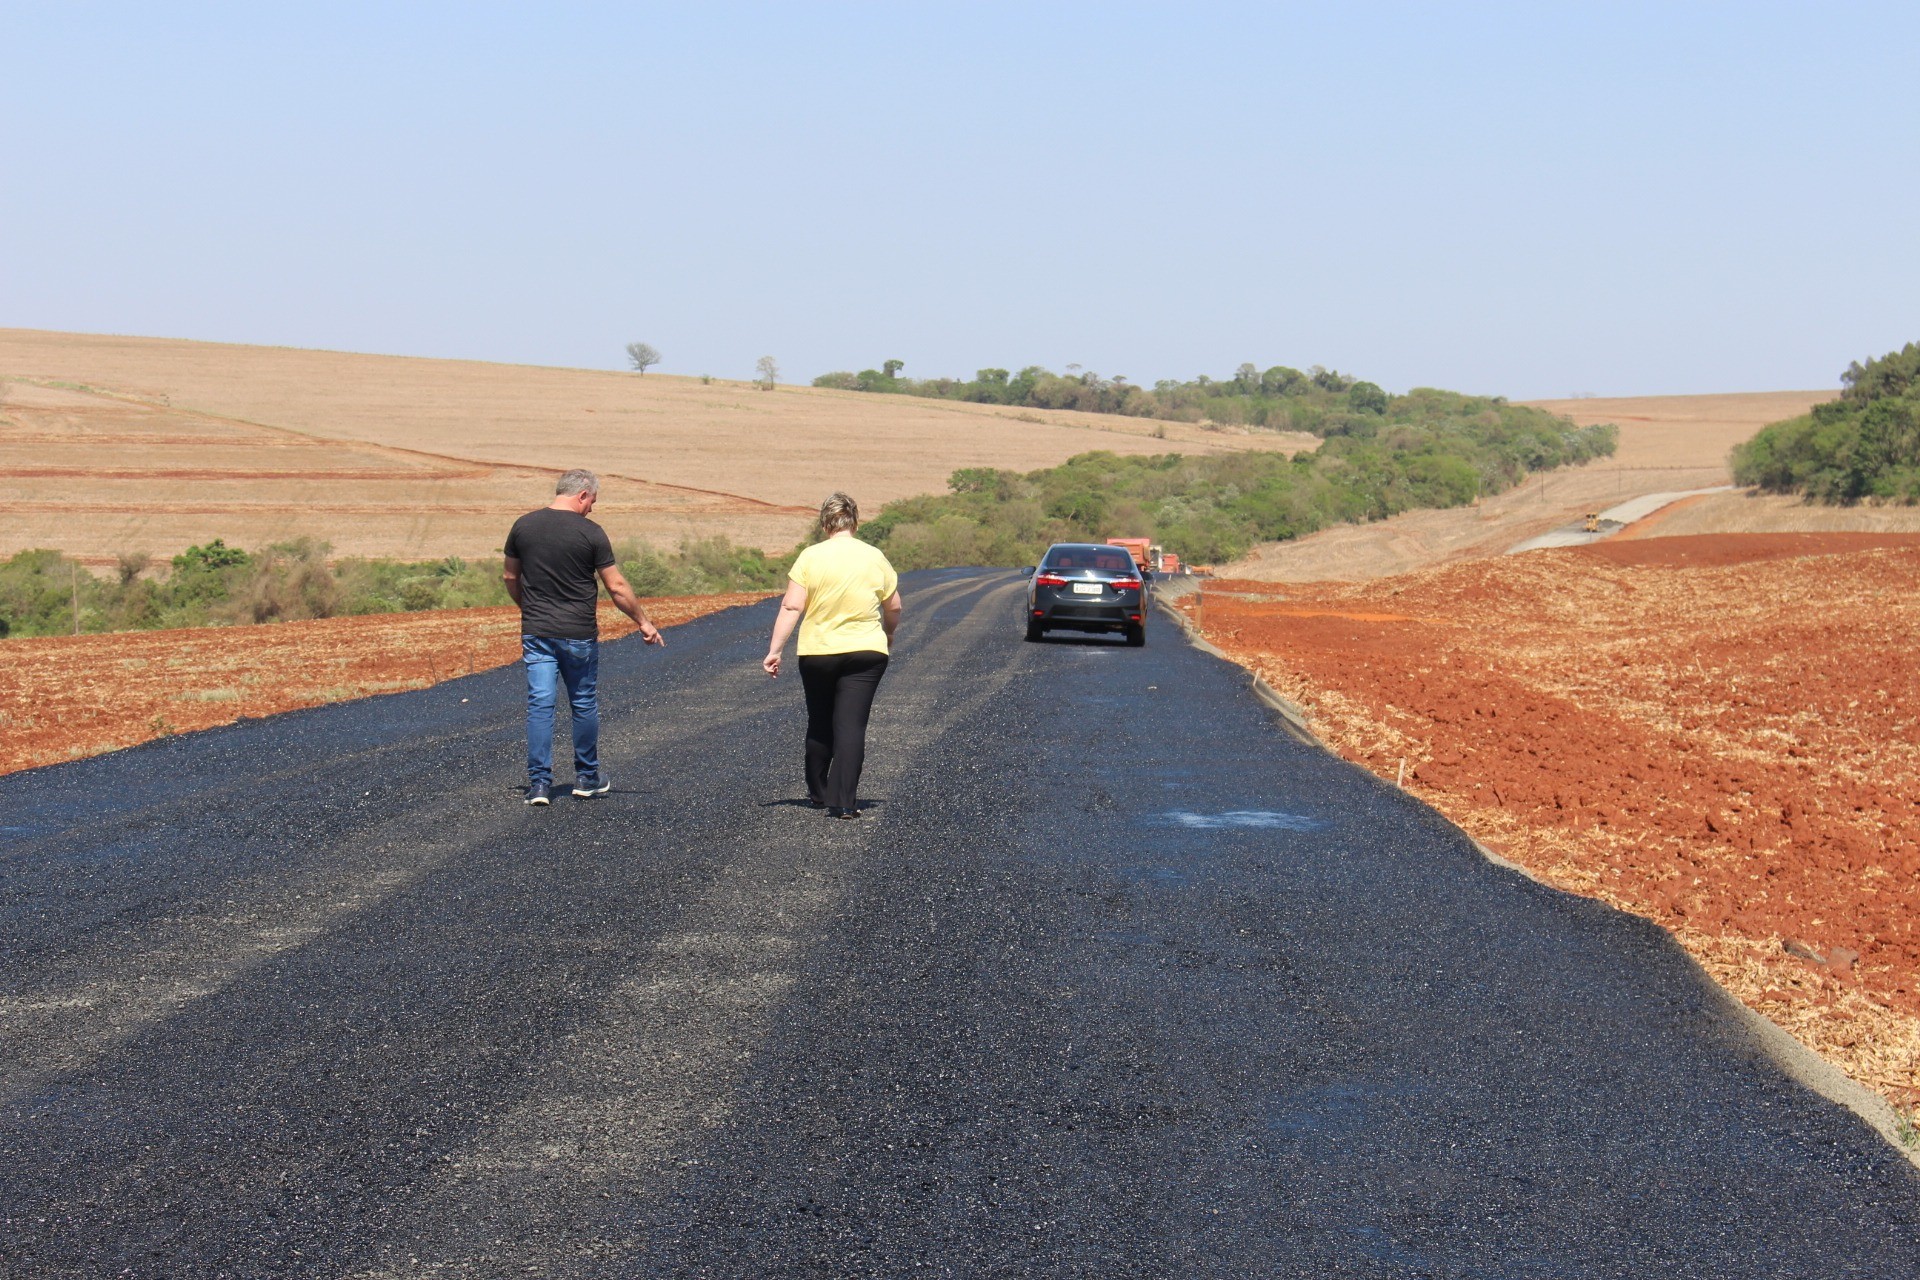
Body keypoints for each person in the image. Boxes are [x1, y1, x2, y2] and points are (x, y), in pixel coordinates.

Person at [503, 469, 663, 806]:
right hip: (578, 634)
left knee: (540, 705)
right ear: (582, 494)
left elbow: (509, 576)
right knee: (583, 702)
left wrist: (529, 608)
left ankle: (540, 785)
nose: (592, 508)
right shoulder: (591, 533)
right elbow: (616, 587)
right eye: (593, 501)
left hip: (537, 633)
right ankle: (587, 778)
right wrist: (643, 622)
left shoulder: (523, 526)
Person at [763, 492, 902, 819]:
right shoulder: (874, 556)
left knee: (821, 720)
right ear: (855, 521)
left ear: (825, 522)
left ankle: (819, 791)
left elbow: (792, 605)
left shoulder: (810, 557)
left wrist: (775, 650)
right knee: (851, 725)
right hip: (867, 651)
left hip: (819, 652)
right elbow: (893, 605)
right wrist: (889, 633)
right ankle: (844, 802)